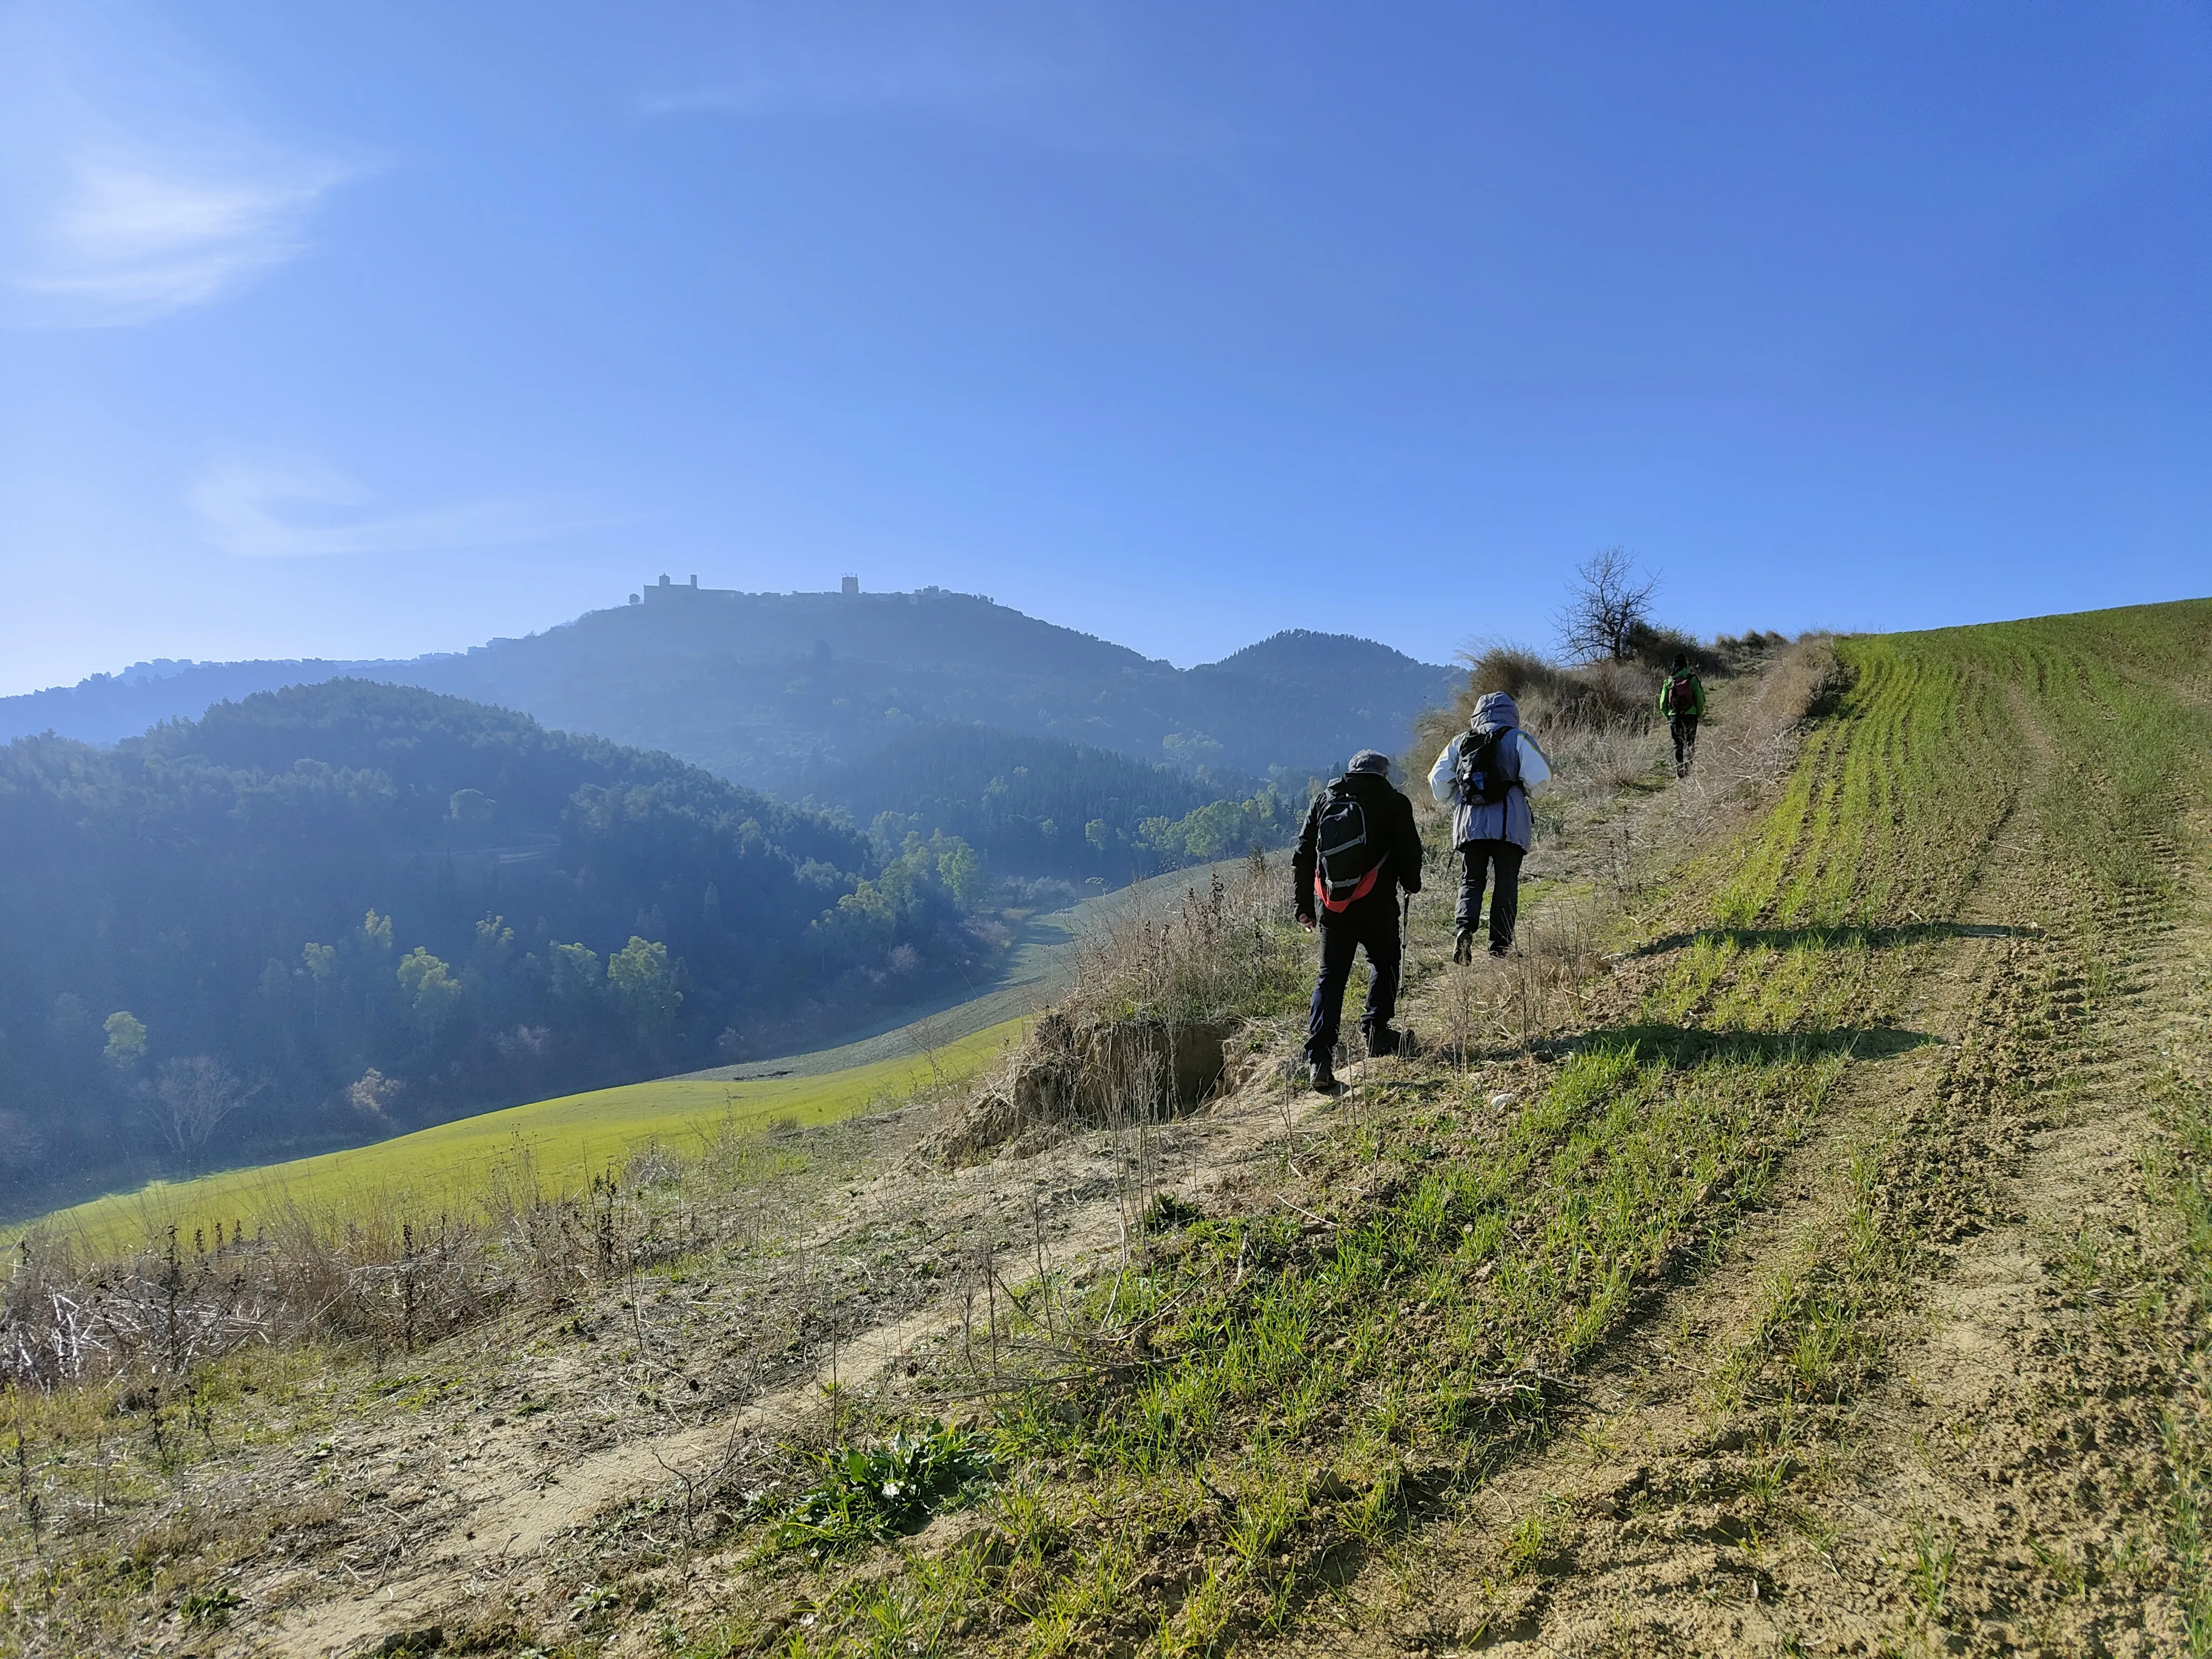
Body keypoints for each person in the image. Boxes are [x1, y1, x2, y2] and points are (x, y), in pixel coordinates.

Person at [1293, 749, 1425, 1092]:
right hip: (1378, 903)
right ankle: (1377, 1032)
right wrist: (1412, 883)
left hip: (1333, 907)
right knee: (1384, 962)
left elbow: (1304, 855)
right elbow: (1410, 849)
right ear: (1383, 773)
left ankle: (1319, 1057)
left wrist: (1304, 905)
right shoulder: (1394, 802)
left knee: (1331, 977)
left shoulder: (1324, 800)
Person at [1428, 691, 1553, 964]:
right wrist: (1526, 792)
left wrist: (1455, 799)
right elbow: (1540, 778)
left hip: (1469, 825)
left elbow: (1438, 781)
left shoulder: (1461, 741)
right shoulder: (1518, 738)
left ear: (1477, 714)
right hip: (1509, 823)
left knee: (1471, 879)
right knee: (1506, 883)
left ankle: (1464, 928)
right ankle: (1500, 947)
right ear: (1512, 714)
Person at [1659, 652, 1705, 779]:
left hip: (1675, 716)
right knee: (1690, 744)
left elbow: (1662, 704)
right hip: (1691, 716)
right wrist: (1698, 713)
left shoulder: (1669, 681)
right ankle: (1688, 771)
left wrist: (1669, 716)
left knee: (1677, 745)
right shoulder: (1693, 679)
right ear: (1686, 665)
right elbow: (1700, 699)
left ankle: (1680, 774)